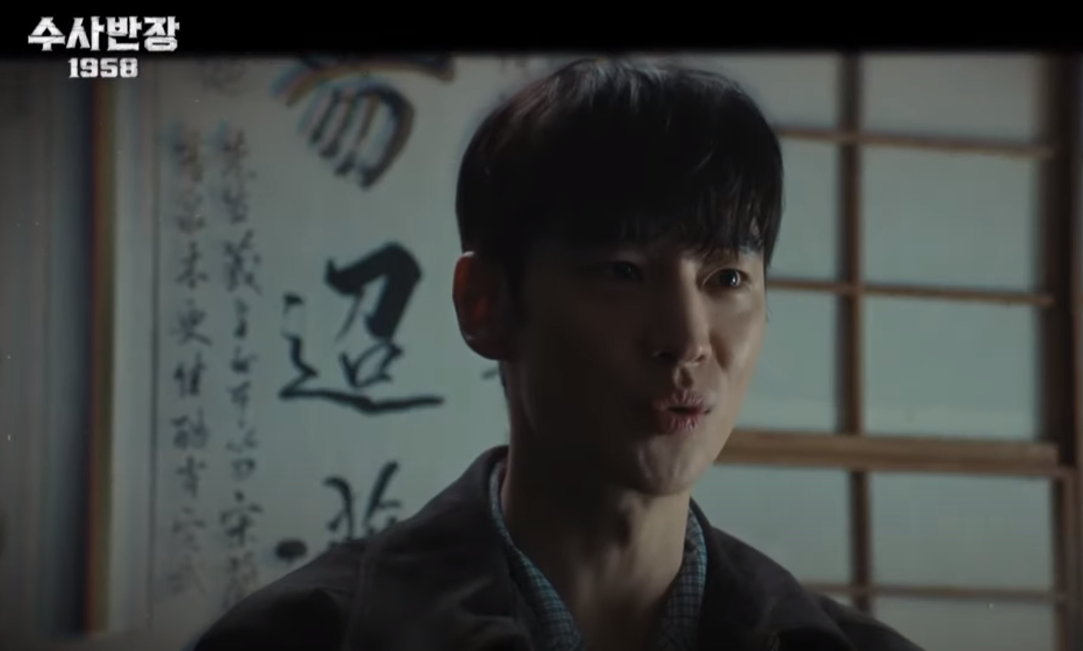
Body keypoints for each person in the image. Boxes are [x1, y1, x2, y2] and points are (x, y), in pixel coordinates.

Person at [193, 58, 920, 651]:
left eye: (726, 278)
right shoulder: (303, 635)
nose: (687, 339)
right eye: (622, 272)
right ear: (485, 304)